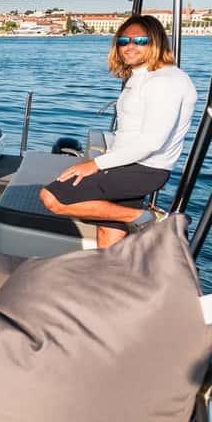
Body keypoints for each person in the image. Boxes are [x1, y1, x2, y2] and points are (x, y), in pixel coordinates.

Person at [39, 15, 197, 249]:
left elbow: (152, 142)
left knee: (53, 197)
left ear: (156, 42)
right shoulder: (143, 76)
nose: (129, 46)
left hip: (142, 168)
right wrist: (109, 159)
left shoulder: (165, 81)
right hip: (130, 164)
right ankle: (108, 269)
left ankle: (151, 219)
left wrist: (95, 164)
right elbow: (131, 131)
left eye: (139, 40)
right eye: (123, 41)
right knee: (109, 231)